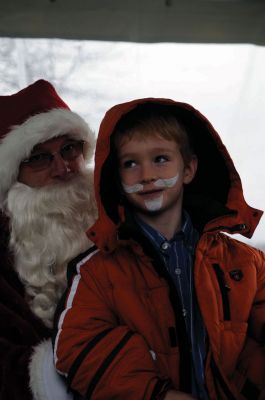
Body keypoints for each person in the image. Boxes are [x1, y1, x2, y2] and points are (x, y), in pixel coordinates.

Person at [53, 98, 265, 399]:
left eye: (161, 159)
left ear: (189, 169)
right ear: (116, 178)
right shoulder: (96, 271)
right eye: (131, 164)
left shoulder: (247, 262)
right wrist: (154, 394)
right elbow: (78, 346)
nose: (147, 174)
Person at [0, 79, 97, 400]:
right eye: (39, 158)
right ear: (13, 174)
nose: (63, 168)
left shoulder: (123, 220)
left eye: (70, 148)